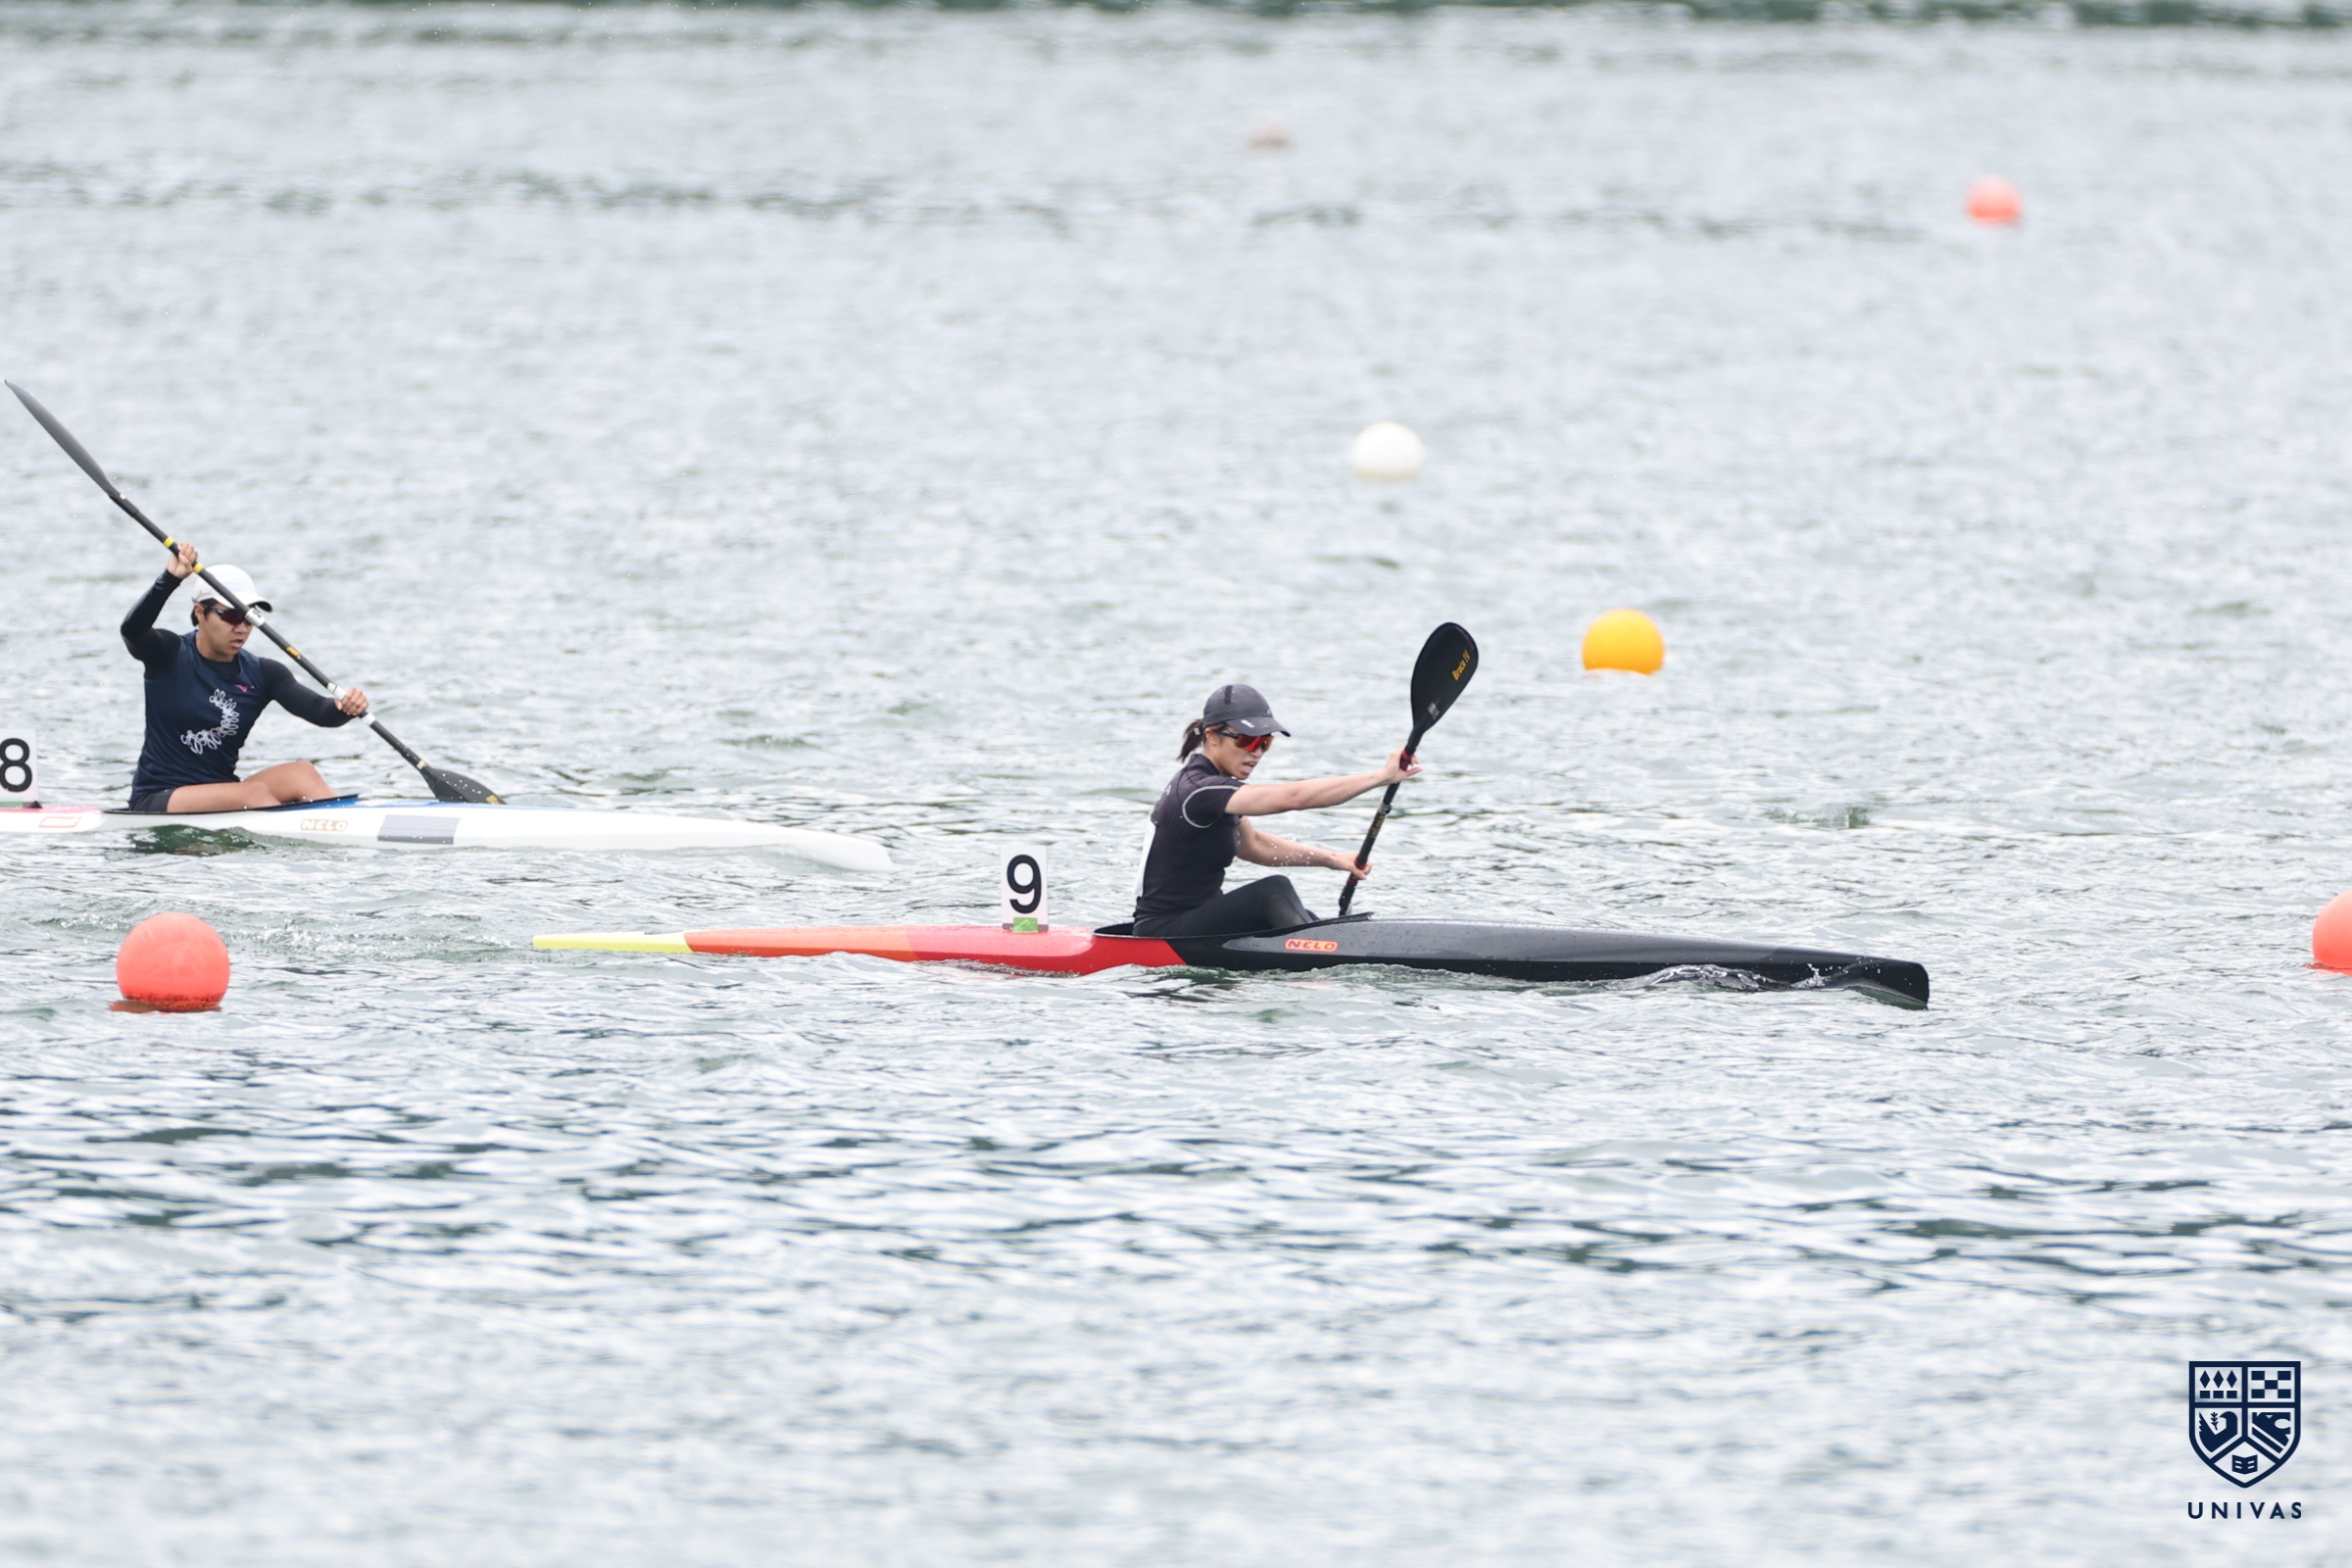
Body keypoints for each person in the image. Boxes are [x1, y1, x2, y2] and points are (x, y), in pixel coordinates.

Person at [1131, 682, 1417, 939]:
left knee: (1304, 916)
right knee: (1274, 892)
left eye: (1264, 742)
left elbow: (1253, 845)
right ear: (1212, 736)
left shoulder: (1216, 787)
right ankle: (1322, 966)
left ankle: (1338, 947)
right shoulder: (1198, 790)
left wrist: (1333, 859)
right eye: (1247, 740)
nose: (1256, 752)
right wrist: (1381, 777)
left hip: (1198, 920)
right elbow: (1296, 798)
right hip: (1162, 931)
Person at [121, 542, 369, 813]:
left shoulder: (264, 673)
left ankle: (341, 826)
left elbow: (321, 712)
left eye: (250, 618)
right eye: (232, 615)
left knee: (302, 773)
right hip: (160, 796)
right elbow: (132, 630)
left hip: (226, 791)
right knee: (253, 793)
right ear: (200, 613)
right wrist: (170, 579)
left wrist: (345, 707)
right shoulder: (168, 654)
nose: (242, 628)